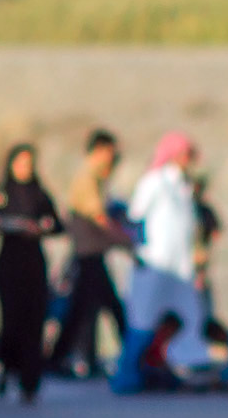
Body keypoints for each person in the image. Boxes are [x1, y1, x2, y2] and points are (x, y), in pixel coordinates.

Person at [0, 143, 63, 402]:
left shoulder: (39, 194)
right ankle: (6, 369)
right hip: (9, 264)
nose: (25, 169)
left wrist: (40, 228)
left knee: (33, 322)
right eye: (21, 163)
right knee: (10, 321)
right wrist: (3, 223)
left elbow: (57, 225)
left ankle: (30, 381)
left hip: (34, 265)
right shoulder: (0, 193)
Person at [50, 130, 128, 379]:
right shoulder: (87, 178)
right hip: (88, 253)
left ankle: (60, 358)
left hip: (92, 253)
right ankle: (132, 357)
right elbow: (98, 217)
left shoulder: (96, 177)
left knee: (84, 309)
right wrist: (125, 241)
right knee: (107, 307)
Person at [122, 132, 207, 350]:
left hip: (180, 267)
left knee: (185, 320)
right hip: (155, 263)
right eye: (185, 155)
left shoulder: (184, 187)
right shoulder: (154, 182)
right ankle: (129, 374)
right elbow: (135, 217)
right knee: (143, 321)